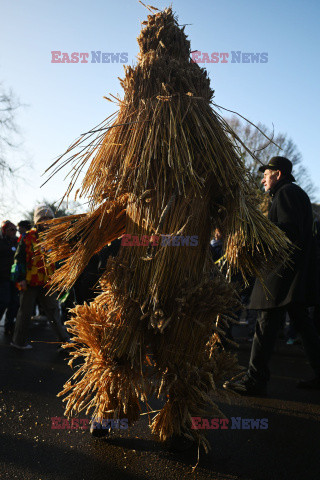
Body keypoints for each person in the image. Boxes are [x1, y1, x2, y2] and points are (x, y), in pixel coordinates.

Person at [223, 156, 320, 394]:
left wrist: (257, 232)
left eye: (265, 174)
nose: (263, 179)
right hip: (290, 276)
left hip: (282, 276)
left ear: (277, 174)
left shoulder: (287, 193)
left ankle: (255, 381)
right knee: (303, 327)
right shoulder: (290, 193)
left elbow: (288, 231)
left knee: (265, 325)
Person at [11, 205, 69, 350]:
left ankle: (64, 341)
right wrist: (20, 278)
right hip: (29, 282)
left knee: (53, 311)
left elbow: (59, 260)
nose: (46, 220)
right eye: (43, 218)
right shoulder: (27, 237)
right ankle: (18, 342)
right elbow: (18, 259)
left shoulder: (54, 237)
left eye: (49, 217)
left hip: (47, 282)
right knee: (25, 312)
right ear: (37, 221)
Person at [0, 221, 19, 336]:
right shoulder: (1, 241)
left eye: (15, 229)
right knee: (3, 301)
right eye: (11, 229)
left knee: (14, 303)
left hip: (14, 277)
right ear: (4, 230)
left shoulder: (17, 241)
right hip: (2, 277)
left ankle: (9, 326)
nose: (14, 232)